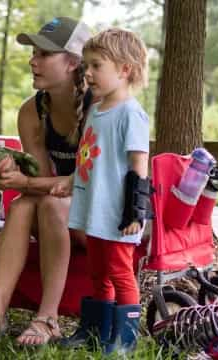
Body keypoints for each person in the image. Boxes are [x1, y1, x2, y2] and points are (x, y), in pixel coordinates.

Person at [0, 17, 93, 346]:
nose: (33, 61)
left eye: (44, 54)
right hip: (63, 210)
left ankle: (48, 319)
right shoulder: (31, 112)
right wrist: (8, 174)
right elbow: (43, 180)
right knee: (23, 207)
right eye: (33, 53)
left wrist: (23, 182)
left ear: (73, 62)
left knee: (48, 202)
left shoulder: (101, 109)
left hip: (99, 220)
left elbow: (90, 184)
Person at [52, 28, 150, 353]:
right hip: (95, 209)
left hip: (119, 213)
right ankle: (96, 332)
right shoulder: (97, 109)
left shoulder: (130, 113)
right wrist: (70, 180)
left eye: (96, 66)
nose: (88, 73)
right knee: (98, 272)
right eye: (87, 66)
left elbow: (139, 164)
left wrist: (136, 211)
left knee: (120, 272)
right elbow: (90, 155)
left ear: (124, 70)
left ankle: (125, 340)